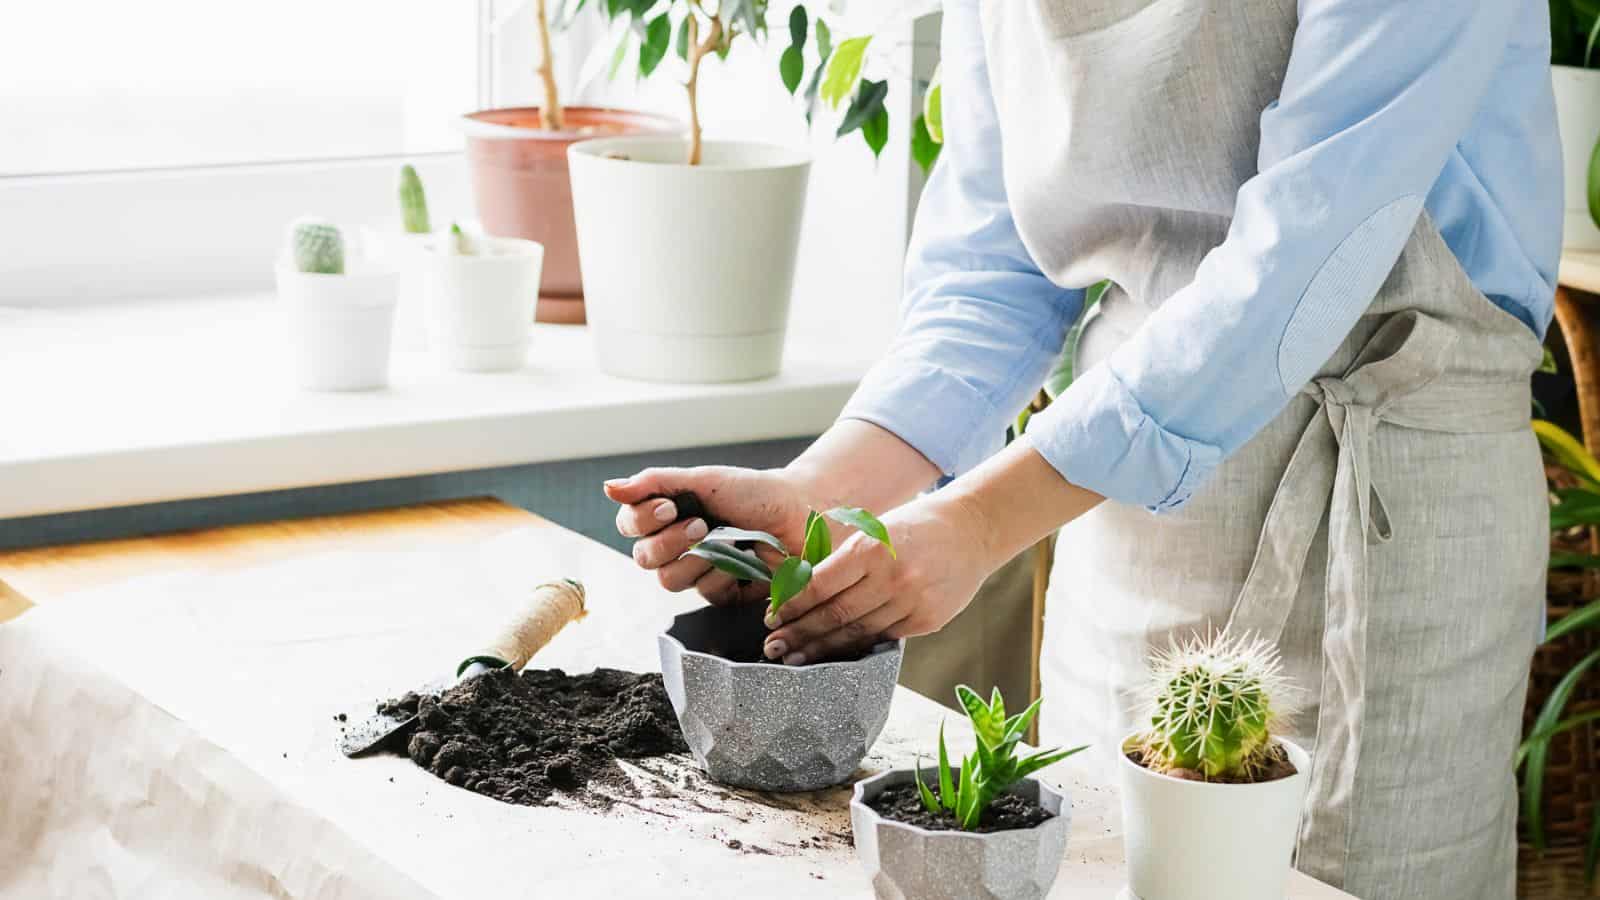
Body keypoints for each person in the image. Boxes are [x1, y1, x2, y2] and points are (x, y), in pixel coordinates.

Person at [604, 0, 1560, 896]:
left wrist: (979, 522)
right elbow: (991, 269)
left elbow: (1307, 260)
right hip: (1111, 509)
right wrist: (826, 496)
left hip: (1387, 513)